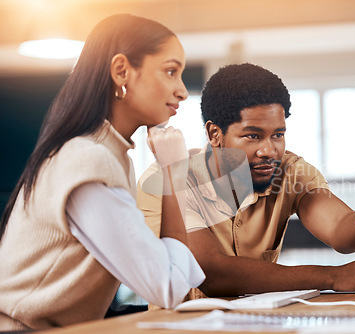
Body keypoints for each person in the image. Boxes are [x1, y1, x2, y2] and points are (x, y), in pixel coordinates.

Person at [137, 63, 355, 299]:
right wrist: (333, 276)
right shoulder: (168, 177)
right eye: (253, 136)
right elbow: (212, 273)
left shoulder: (291, 171)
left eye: (277, 134)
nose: (269, 150)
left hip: (258, 324)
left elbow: (339, 230)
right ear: (215, 134)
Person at [0, 14, 205, 331]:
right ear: (122, 71)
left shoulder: (111, 155)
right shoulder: (88, 160)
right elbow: (167, 286)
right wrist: (174, 173)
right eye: (170, 71)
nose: (181, 91)